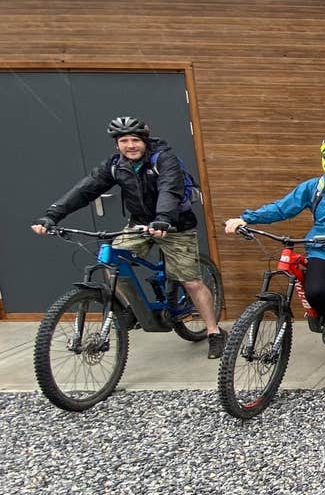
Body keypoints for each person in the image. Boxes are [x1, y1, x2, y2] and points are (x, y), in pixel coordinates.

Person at [32, 116, 226, 358]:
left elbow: (170, 188)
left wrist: (164, 217)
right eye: (124, 140)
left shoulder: (164, 159)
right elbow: (84, 190)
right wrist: (52, 215)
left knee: (190, 282)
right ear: (117, 144)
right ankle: (130, 309)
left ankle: (213, 331)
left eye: (135, 140)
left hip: (174, 225)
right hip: (139, 224)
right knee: (111, 260)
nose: (130, 145)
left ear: (144, 141)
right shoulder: (115, 165)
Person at [224, 134, 325, 379]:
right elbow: (282, 208)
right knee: (315, 291)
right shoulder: (314, 187)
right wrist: (247, 218)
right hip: (322, 250)